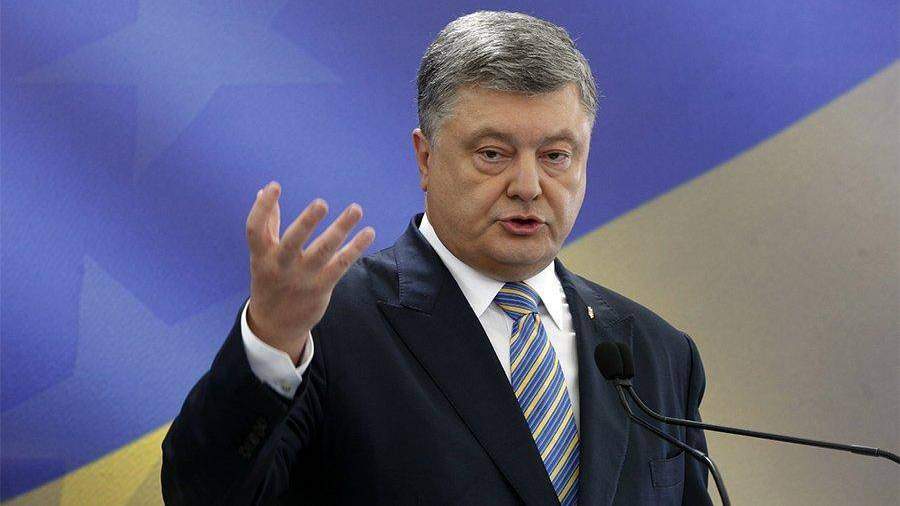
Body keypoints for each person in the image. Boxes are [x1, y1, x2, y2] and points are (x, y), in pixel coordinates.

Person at [161, 11, 713, 505]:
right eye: (493, 154)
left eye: (555, 156)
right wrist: (270, 344)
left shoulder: (656, 352)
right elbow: (201, 494)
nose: (528, 185)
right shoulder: (327, 326)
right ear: (425, 158)